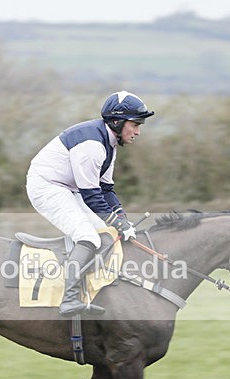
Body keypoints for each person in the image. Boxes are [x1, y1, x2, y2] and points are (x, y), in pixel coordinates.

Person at [26, 91, 154, 316]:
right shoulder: (92, 146)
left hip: (68, 188)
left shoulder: (109, 143)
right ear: (117, 122)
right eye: (135, 124)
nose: (138, 132)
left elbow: (106, 189)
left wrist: (122, 220)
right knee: (88, 237)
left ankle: (91, 287)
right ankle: (70, 299)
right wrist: (119, 223)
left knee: (107, 233)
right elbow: (92, 195)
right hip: (47, 187)